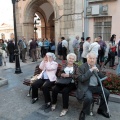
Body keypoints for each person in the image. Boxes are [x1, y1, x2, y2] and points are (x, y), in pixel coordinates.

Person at [77, 52, 110, 120]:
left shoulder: (97, 66)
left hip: (95, 86)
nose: (92, 60)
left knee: (106, 92)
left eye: (93, 58)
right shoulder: (82, 67)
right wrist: (90, 70)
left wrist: (98, 72)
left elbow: (102, 78)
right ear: (87, 59)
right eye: (90, 58)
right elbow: (81, 79)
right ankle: (84, 112)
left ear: (96, 59)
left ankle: (101, 110)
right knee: (89, 98)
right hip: (86, 86)